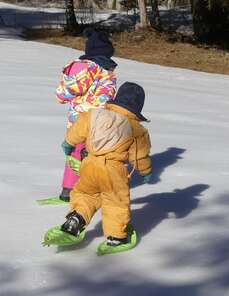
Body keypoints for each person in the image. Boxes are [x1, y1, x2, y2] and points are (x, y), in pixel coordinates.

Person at [44, 82, 152, 256]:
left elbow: (78, 128)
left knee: (86, 194)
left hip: (89, 164)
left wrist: (68, 143)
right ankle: (116, 237)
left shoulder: (95, 115)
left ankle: (75, 219)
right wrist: (145, 172)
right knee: (115, 202)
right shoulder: (137, 129)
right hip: (113, 170)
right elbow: (139, 156)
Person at [55, 28, 118, 202]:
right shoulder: (100, 70)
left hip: (77, 121)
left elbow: (64, 94)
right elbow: (104, 97)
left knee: (75, 152)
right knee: (89, 155)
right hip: (94, 121)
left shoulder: (81, 68)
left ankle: (68, 189)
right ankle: (85, 189)